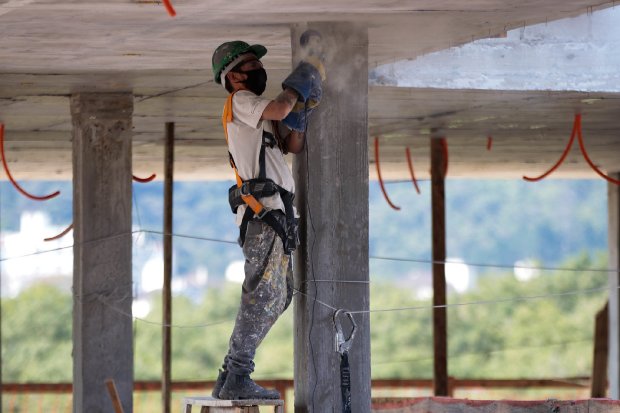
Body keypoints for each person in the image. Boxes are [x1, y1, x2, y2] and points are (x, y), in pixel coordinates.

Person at [210, 40, 323, 400]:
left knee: (280, 294)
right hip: (263, 216)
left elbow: (292, 146)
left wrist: (300, 116)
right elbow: (278, 107)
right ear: (233, 76)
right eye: (251, 64)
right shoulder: (241, 102)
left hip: (275, 215)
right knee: (265, 295)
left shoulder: (256, 114)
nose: (259, 69)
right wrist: (296, 86)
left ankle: (230, 374)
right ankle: (238, 374)